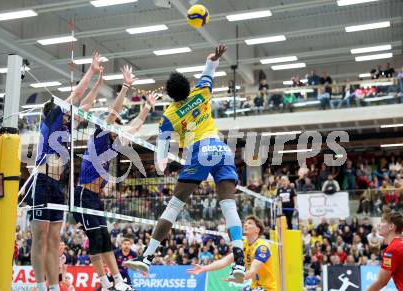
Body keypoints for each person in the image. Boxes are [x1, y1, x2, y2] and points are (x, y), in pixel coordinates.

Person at [124, 45, 246, 282]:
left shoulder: (169, 114)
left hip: (200, 152)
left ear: (170, 95)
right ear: (188, 87)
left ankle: (146, 258)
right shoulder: (200, 92)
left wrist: (161, 164)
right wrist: (213, 59)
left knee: (174, 206)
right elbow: (208, 71)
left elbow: (161, 151)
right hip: (221, 149)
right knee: (229, 207)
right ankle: (239, 263)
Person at [73, 65, 155, 291]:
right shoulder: (100, 135)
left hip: (95, 198)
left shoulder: (114, 145)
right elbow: (114, 112)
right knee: (97, 241)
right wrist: (126, 86)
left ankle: (117, 281)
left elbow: (135, 127)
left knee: (106, 240)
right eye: (116, 127)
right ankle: (103, 282)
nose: (119, 129)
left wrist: (147, 108)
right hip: (81, 195)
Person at [28, 52, 104, 291]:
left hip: (57, 186)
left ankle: (53, 286)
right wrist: (91, 72)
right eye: (66, 111)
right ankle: (41, 286)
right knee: (39, 238)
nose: (70, 114)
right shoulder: (51, 120)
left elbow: (86, 105)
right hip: (41, 181)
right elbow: (77, 95)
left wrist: (99, 85)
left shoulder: (67, 128)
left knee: (53, 239)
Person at [187, 216, 277, 291]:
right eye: (245, 223)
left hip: (267, 288)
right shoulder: (243, 245)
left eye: (249, 223)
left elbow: (252, 272)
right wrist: (204, 268)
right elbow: (225, 261)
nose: (245, 224)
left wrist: (238, 278)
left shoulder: (262, 247)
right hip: (255, 287)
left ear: (257, 230)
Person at [366, 211, 403, 291]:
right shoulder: (399, 245)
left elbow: (381, 281)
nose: (378, 225)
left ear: (391, 227)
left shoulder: (392, 250)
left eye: (382, 221)